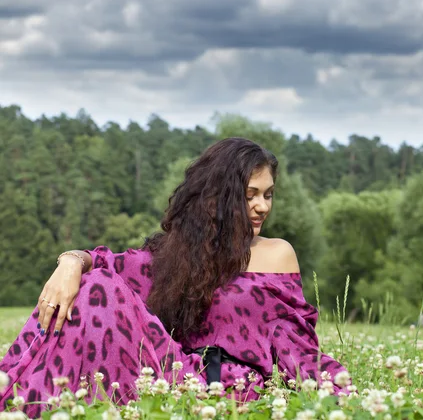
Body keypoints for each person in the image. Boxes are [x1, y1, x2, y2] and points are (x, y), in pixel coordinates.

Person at [0, 138, 351, 416]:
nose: (263, 206)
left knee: (97, 284)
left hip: (231, 390)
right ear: (218, 198)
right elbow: (108, 262)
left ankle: (23, 400)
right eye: (250, 195)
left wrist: (341, 394)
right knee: (95, 286)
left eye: (268, 194)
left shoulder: (277, 254)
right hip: (172, 378)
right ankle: (24, 398)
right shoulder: (178, 254)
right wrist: (70, 263)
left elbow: (299, 349)